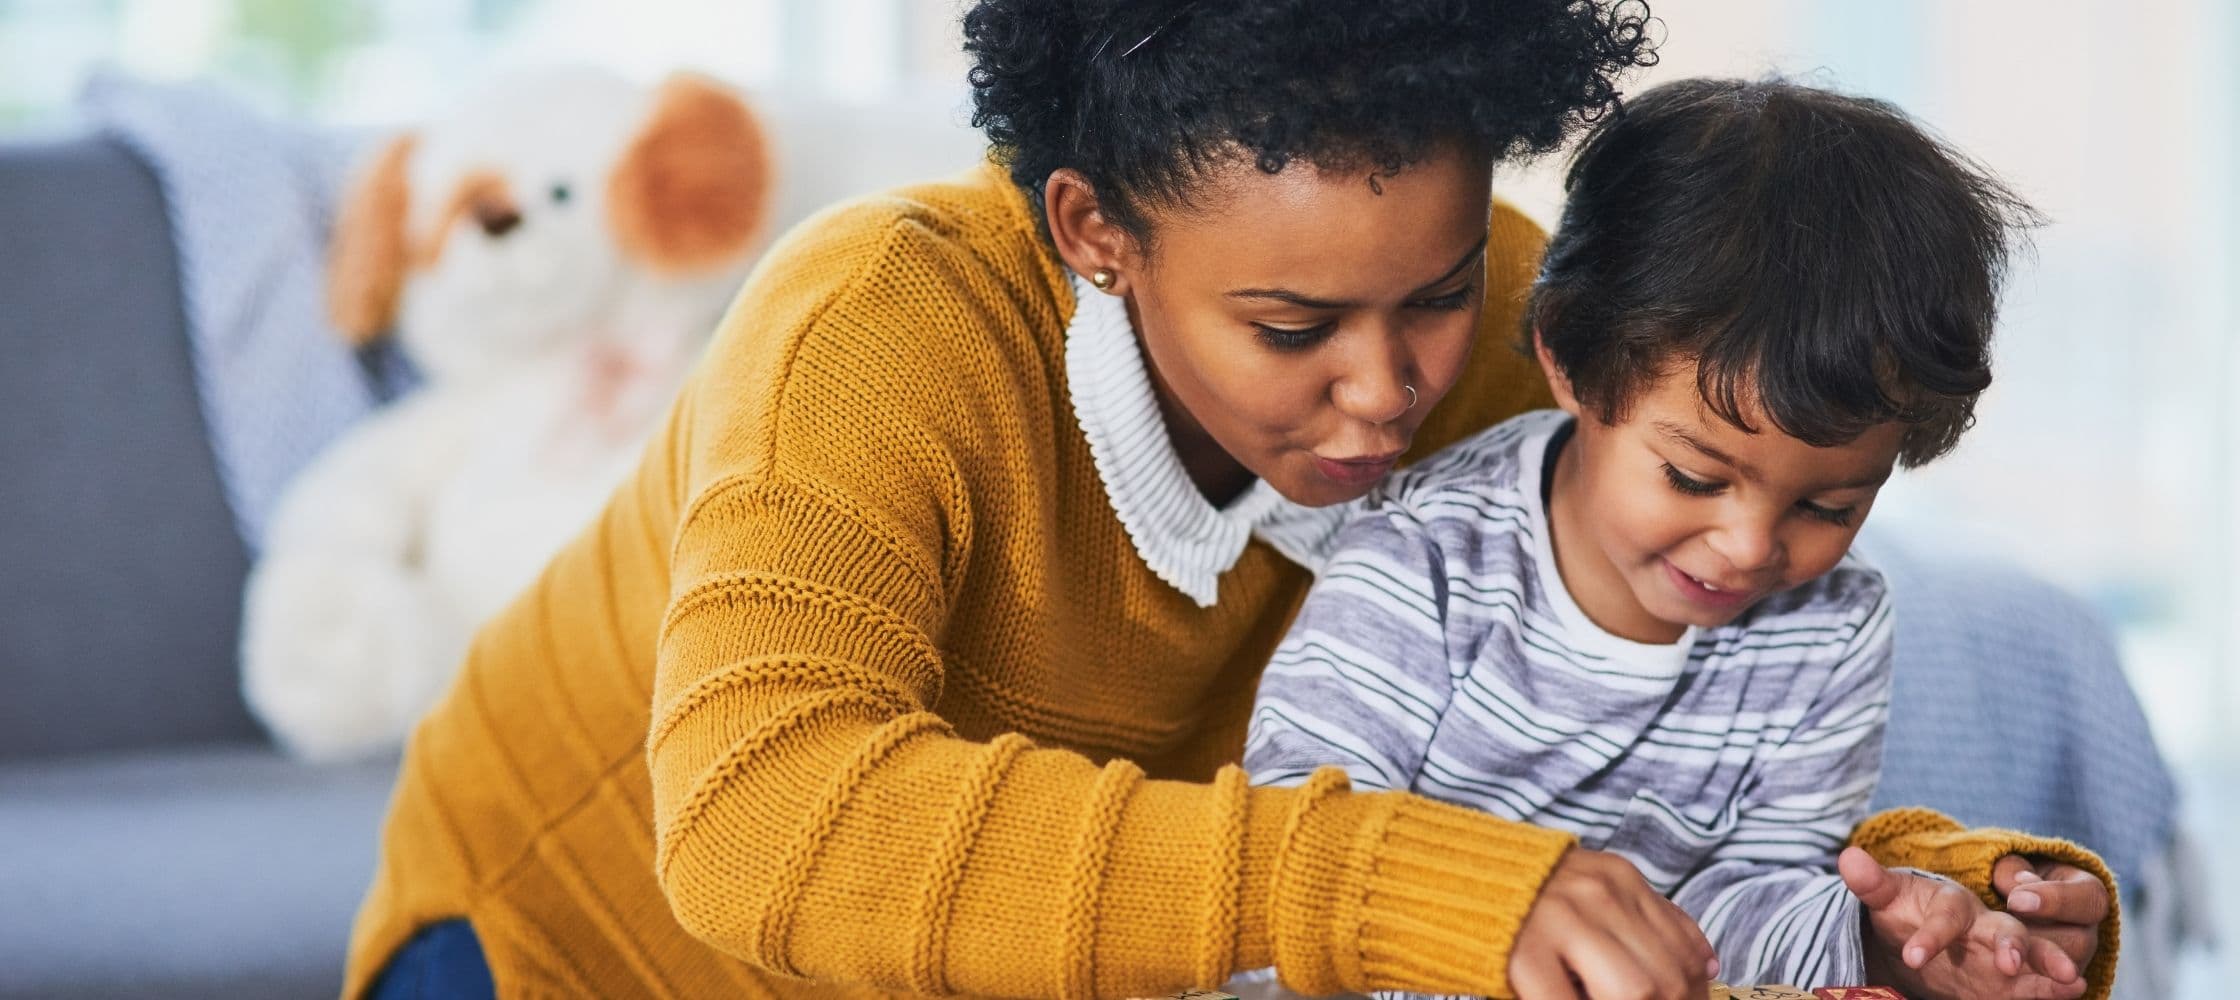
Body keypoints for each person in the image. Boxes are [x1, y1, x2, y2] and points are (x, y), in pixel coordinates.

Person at [344, 3, 2117, 998]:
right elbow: (758, 822)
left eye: (1433, 293)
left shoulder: (1519, 335)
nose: (1394, 386)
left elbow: (1645, 739)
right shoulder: (877, 330)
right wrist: (1376, 880)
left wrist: (1934, 894)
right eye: (1290, 326)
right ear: (1092, 232)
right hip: (571, 937)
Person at [1244, 76, 2082, 998]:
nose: (1750, 547)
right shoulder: (1424, 562)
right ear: (1571, 357)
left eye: (1829, 507)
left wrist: (1878, 939)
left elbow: (1744, 904)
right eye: (1694, 478)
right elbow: (1307, 857)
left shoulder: (1833, 628)